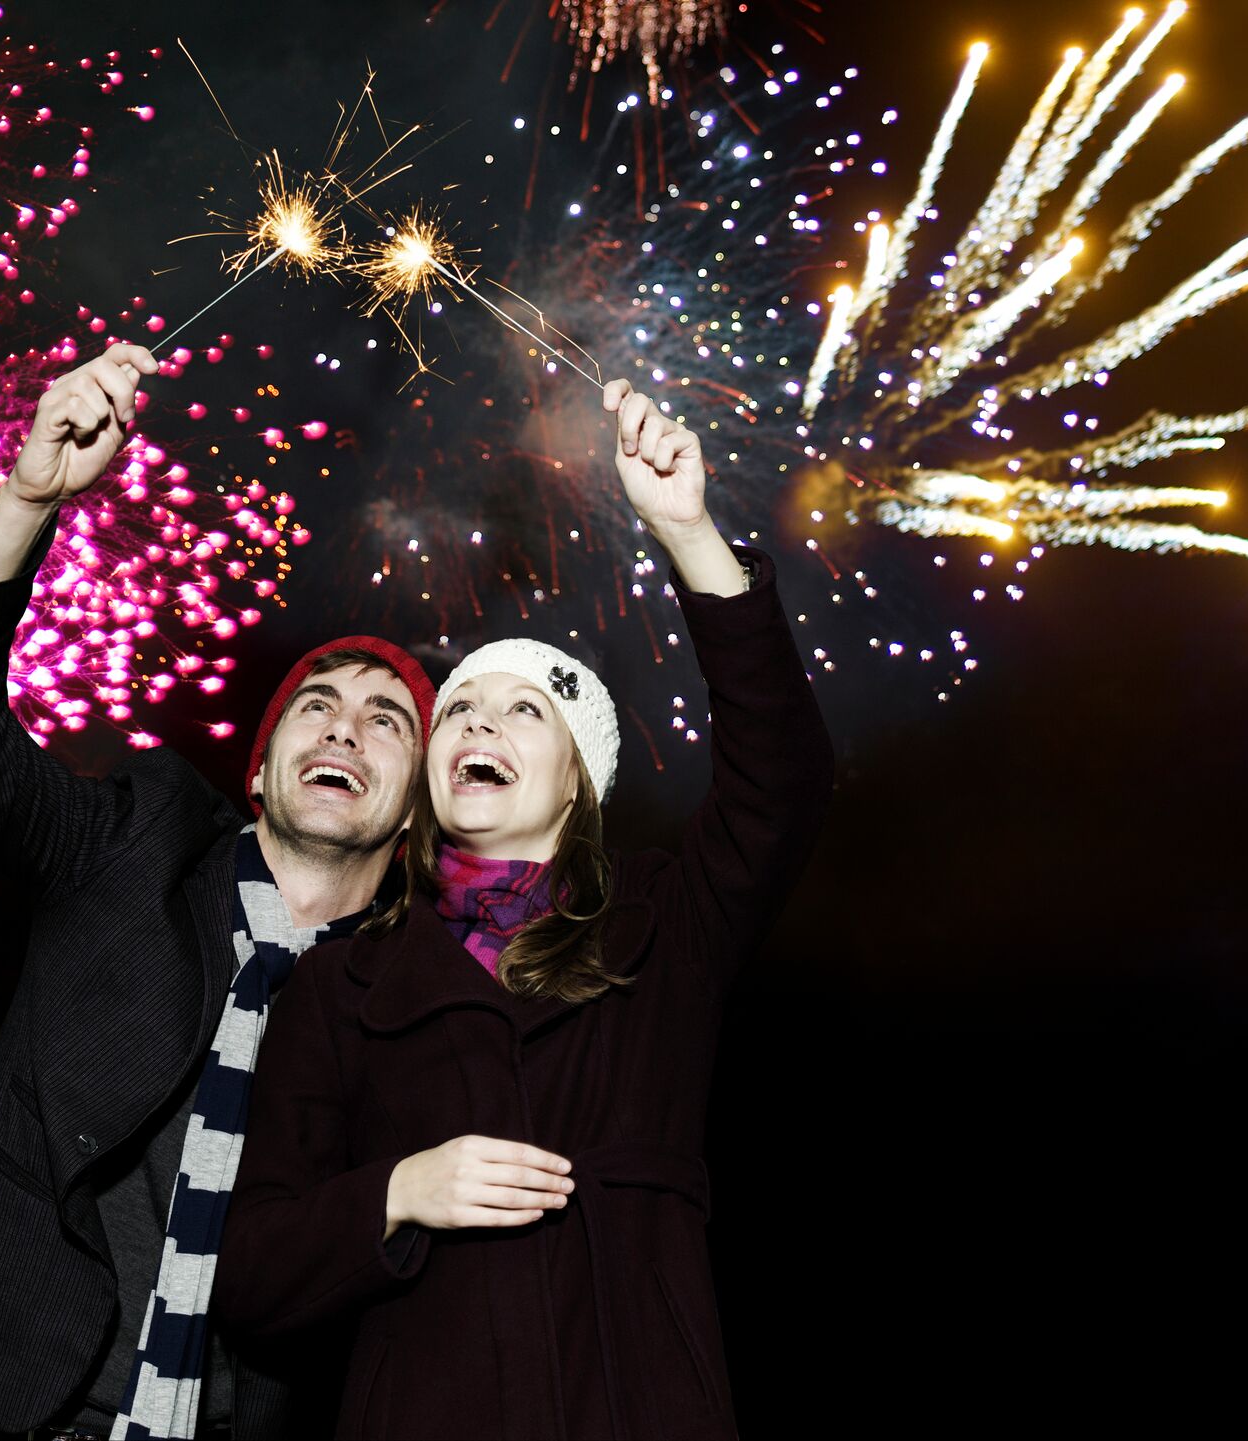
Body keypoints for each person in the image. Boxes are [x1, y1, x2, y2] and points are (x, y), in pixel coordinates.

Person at [0, 343, 438, 1441]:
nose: (344, 728)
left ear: (414, 810)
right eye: (315, 705)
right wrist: (29, 500)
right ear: (260, 769)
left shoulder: (405, 1002)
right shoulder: (135, 841)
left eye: (385, 720)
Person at [215, 379, 834, 1439]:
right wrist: (398, 1191)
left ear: (578, 781)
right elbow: (251, 1274)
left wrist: (689, 533)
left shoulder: (668, 924)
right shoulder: (342, 984)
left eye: (522, 711)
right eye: (457, 707)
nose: (476, 722)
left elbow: (783, 778)